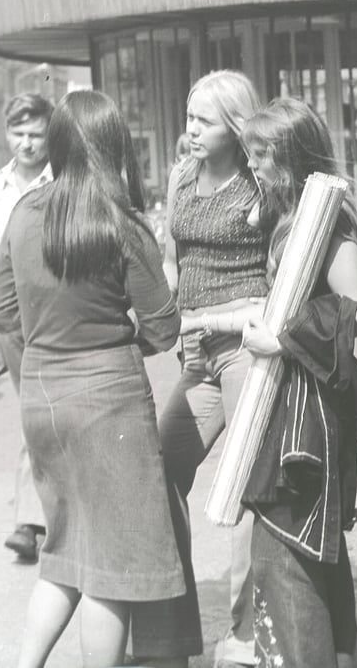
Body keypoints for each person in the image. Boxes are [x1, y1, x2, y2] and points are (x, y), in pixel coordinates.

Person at [0, 90, 184, 668]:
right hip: (110, 407)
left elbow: (0, 310)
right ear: (114, 145)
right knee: (110, 566)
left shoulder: (24, 210)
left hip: (44, 403)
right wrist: (127, 339)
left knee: (66, 551)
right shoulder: (123, 223)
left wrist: (38, 365)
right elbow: (165, 327)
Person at [237, 97, 357, 668]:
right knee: (304, 546)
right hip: (294, 397)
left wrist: (282, 339)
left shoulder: (329, 220)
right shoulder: (292, 212)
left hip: (311, 408)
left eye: (262, 154)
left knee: (292, 545)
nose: (253, 165)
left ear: (294, 157)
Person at [129, 70, 268, 668]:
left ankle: (243, 634)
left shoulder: (260, 184)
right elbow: (172, 259)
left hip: (243, 349)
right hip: (197, 353)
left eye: (202, 121)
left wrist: (226, 317)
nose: (189, 131)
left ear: (235, 127)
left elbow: (279, 279)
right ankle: (171, 640)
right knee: (158, 477)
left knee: (246, 487)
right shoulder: (183, 175)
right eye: (188, 118)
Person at [0, 92, 55, 561]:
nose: (26, 144)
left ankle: (34, 518)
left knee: (44, 411)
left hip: (54, 310)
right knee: (33, 412)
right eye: (18, 134)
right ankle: (33, 518)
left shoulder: (59, 178)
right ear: (6, 134)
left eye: (36, 134)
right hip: (11, 316)